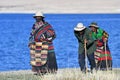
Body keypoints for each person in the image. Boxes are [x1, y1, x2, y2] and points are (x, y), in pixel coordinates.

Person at [28, 11, 58, 75]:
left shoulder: (47, 25)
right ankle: (40, 71)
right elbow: (31, 35)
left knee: (48, 58)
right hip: (37, 45)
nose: (37, 18)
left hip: (46, 44)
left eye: (39, 17)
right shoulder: (34, 26)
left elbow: (52, 33)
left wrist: (45, 36)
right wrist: (30, 42)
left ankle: (51, 71)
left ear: (42, 17)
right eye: (36, 17)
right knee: (38, 58)